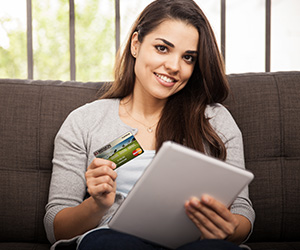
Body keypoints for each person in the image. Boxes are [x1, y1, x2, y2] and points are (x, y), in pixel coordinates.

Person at [44, 0, 255, 249]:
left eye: (188, 57)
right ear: (136, 44)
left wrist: (229, 227)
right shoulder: (84, 122)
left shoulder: (215, 121)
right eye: (163, 48)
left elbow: (242, 212)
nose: (174, 66)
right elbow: (55, 228)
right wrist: (96, 205)